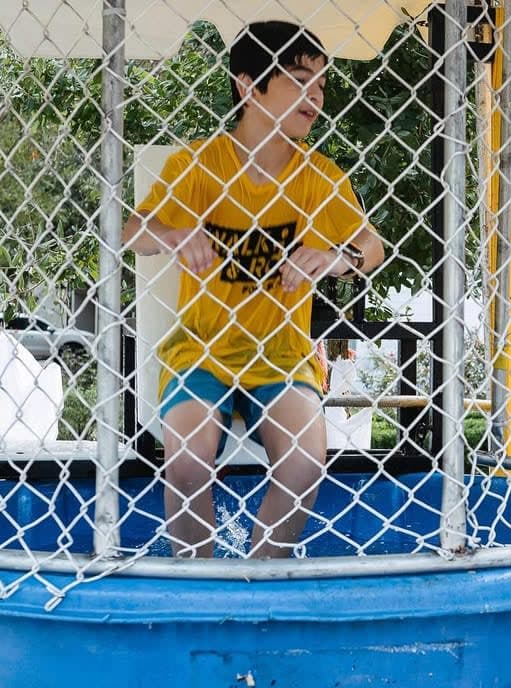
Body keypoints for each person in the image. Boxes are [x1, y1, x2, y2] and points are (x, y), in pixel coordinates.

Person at [122, 21, 385, 559]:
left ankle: (261, 579)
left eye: (321, 83)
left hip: (282, 357)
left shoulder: (321, 177)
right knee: (189, 462)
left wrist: (338, 258)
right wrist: (173, 235)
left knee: (305, 462)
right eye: (297, 78)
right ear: (248, 85)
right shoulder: (197, 165)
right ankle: (197, 586)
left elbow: (373, 248)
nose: (315, 94)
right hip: (201, 350)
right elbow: (132, 232)